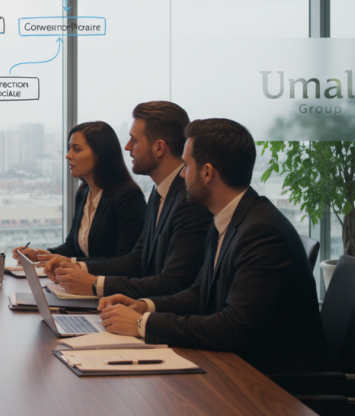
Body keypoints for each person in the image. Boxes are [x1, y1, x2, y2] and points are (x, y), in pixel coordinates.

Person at [98, 119, 329, 376]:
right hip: (235, 367)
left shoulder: (263, 233)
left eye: (186, 166)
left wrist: (142, 324)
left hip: (274, 386)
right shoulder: (227, 217)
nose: (182, 174)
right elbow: (200, 293)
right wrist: (144, 306)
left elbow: (233, 328)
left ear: (207, 172)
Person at [48, 102, 213, 298]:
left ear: (159, 147)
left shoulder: (189, 201)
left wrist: (95, 284)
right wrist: (75, 266)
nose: (127, 147)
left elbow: (174, 282)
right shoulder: (159, 192)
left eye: (133, 140)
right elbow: (137, 259)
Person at [14, 121, 144, 264]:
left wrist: (73, 264)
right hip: (79, 284)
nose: (68, 155)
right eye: (70, 149)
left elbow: (127, 261)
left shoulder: (127, 196)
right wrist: (39, 255)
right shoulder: (84, 192)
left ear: (99, 154)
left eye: (76, 149)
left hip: (109, 285)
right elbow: (72, 247)